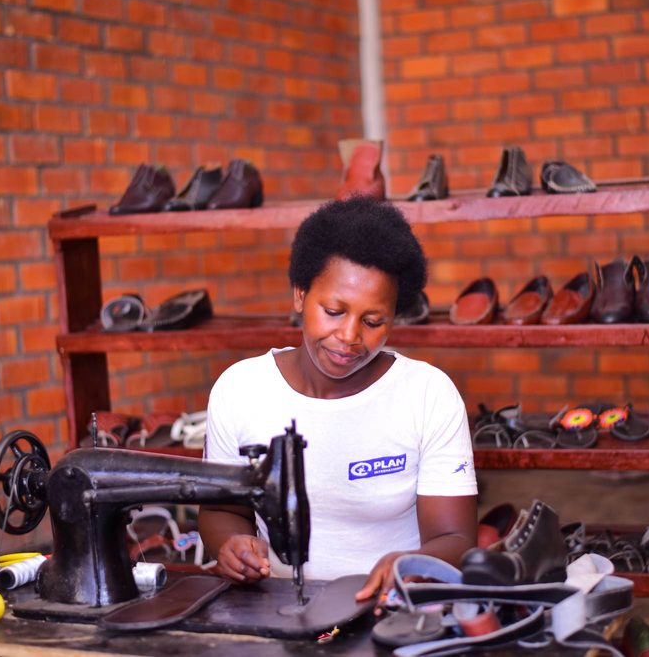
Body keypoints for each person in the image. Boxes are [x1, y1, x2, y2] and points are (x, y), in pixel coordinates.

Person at [199, 196, 477, 602]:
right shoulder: (239, 390)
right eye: (333, 310)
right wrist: (232, 546)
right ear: (299, 295)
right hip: (272, 604)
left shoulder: (428, 395)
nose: (349, 336)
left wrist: (412, 564)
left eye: (373, 321)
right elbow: (223, 510)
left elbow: (454, 538)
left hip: (386, 608)